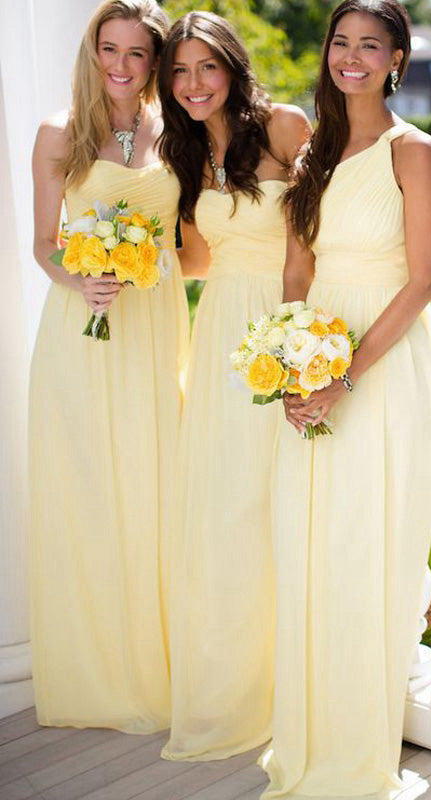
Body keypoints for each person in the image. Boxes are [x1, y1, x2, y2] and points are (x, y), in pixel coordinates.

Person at [260, 0, 431, 796]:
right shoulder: (314, 155)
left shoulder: (416, 151)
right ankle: (311, 736)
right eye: (342, 43)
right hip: (316, 359)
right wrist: (292, 360)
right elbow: (298, 273)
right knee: (312, 549)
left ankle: (360, 750)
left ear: (397, 59)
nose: (353, 58)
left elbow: (426, 278)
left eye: (372, 45)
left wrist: (344, 378)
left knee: (368, 547)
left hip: (384, 360)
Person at [30, 0, 189, 733]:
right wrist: (80, 276)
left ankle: (160, 669)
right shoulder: (61, 133)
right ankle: (96, 676)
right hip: (83, 324)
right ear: (93, 53)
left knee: (156, 485)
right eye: (109, 50)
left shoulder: (178, 133)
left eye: (136, 54)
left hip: (156, 324)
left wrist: (150, 259)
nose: (121, 67)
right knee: (91, 490)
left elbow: (194, 246)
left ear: (155, 61)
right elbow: (43, 243)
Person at [157, 12, 311, 761]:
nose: (192, 85)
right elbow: (192, 260)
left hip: (283, 324)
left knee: (284, 501)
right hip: (220, 335)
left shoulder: (284, 126)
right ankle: (234, 688)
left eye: (204, 67)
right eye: (178, 72)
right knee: (227, 510)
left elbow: (321, 229)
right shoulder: (183, 154)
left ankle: (300, 688)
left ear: (232, 65)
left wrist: (297, 338)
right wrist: (109, 241)